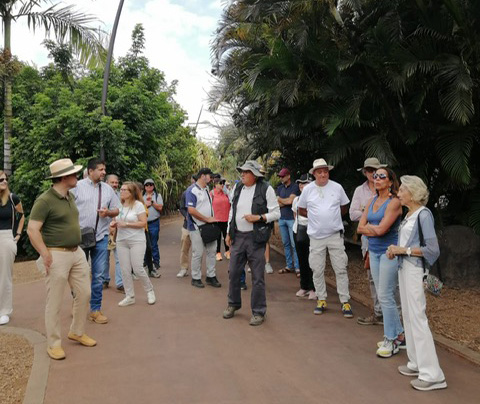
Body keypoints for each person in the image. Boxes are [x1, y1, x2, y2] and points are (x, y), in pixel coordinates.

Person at [27, 159, 96, 360]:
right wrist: (44, 253)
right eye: (74, 174)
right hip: (56, 254)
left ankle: (77, 331)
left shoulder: (70, 196)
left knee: (84, 293)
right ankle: (54, 343)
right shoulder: (45, 200)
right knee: (55, 301)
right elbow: (32, 230)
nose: (77, 177)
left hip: (77, 252)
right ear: (64, 177)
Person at [387, 176, 447, 391]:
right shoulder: (409, 214)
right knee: (410, 318)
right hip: (405, 269)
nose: (398, 192)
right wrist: (396, 250)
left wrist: (404, 250)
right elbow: (407, 244)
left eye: (402, 189)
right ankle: (416, 363)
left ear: (412, 193)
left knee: (418, 318)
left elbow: (433, 250)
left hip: (415, 271)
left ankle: (433, 375)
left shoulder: (424, 215)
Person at [222, 161, 280, 326]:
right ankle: (233, 304)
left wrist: (259, 218)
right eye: (242, 172)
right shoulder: (238, 188)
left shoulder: (266, 189)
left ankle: (258, 312)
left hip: (256, 238)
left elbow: (276, 213)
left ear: (254, 175)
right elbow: (232, 211)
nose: (242, 174)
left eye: (246, 172)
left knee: (257, 277)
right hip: (238, 237)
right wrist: (228, 232)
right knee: (233, 272)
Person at [297, 158, 353, 318]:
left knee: (341, 268)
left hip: (335, 235)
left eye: (325, 171)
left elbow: (343, 207)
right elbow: (301, 210)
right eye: (319, 172)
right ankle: (321, 299)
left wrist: (331, 218)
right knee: (317, 269)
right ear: (314, 174)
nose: (323, 174)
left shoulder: (337, 187)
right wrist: (315, 217)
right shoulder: (308, 190)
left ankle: (345, 301)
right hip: (316, 236)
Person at [357, 167, 404, 358]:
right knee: (382, 293)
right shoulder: (371, 201)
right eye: (374, 176)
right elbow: (359, 228)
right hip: (373, 251)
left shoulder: (394, 203)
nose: (376, 179)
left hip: (389, 253)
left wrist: (371, 227)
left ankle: (391, 339)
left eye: (381, 176)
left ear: (390, 181)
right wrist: (372, 228)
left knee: (385, 295)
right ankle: (399, 335)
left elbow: (383, 229)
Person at [71, 157, 120, 325]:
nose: (103, 172)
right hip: (79, 238)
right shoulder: (76, 187)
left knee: (98, 275)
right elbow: (66, 208)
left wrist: (108, 213)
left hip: (101, 236)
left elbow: (117, 210)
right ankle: (78, 306)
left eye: (104, 169)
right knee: (79, 275)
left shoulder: (107, 189)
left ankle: (95, 310)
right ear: (90, 171)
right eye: (100, 169)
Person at [350, 158, 386, 326]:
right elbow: (353, 214)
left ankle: (389, 314)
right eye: (370, 170)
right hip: (368, 239)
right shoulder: (360, 190)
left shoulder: (388, 189)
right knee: (372, 276)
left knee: (388, 276)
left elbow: (391, 214)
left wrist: (365, 212)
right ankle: (378, 312)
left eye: (376, 171)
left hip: (386, 238)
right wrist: (369, 212)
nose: (373, 174)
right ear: (365, 172)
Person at [111, 182, 156, 307]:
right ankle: (129, 296)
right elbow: (116, 220)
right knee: (125, 270)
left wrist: (127, 225)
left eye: (125, 190)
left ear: (132, 192)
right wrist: (113, 224)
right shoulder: (119, 206)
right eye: (121, 189)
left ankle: (150, 291)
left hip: (137, 240)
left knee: (137, 268)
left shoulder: (138, 205)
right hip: (121, 241)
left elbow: (143, 223)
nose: (122, 191)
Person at [186, 167, 221, 288]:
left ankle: (211, 276)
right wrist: (206, 219)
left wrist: (211, 219)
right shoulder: (191, 190)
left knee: (212, 250)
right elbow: (191, 210)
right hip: (196, 226)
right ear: (202, 176)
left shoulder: (206, 189)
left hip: (209, 225)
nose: (211, 179)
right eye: (210, 176)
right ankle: (196, 277)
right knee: (198, 252)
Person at [0, 171, 25, 326]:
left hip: (6, 237)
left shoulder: (12, 198)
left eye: (5, 179)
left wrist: (17, 234)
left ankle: (4, 311)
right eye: (1, 179)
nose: (4, 181)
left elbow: (21, 215)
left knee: (5, 276)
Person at [292, 173, 315, 300]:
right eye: (300, 183)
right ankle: (304, 286)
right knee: (302, 260)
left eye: (305, 182)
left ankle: (313, 288)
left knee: (312, 260)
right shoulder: (296, 200)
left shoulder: (315, 199)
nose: (302, 185)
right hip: (298, 231)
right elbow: (295, 215)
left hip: (312, 232)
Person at [276, 168, 300, 275]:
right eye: (280, 176)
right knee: (286, 243)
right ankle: (289, 265)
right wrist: (286, 201)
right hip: (282, 219)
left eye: (282, 176)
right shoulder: (279, 188)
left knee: (294, 244)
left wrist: (281, 200)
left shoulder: (295, 187)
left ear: (288, 176)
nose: (281, 178)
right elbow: (278, 203)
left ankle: (297, 267)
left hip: (291, 219)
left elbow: (291, 201)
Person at [105, 174, 124, 292]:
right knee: (104, 257)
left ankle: (120, 283)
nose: (115, 185)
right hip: (104, 231)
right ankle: (104, 280)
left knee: (119, 257)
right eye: (112, 182)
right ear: (106, 182)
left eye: (116, 183)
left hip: (119, 230)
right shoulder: (101, 195)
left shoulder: (121, 195)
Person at [143, 179, 163, 278]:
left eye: (151, 184)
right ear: (144, 187)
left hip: (154, 223)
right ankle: (146, 262)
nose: (149, 186)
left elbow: (160, 208)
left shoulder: (157, 195)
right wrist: (145, 204)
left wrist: (152, 202)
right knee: (145, 244)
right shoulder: (141, 196)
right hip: (144, 224)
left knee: (154, 243)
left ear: (154, 186)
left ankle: (155, 262)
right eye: (147, 185)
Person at [177, 175, 196, 278]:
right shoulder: (186, 193)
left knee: (197, 250)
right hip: (187, 226)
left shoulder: (203, 193)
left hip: (198, 226)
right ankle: (183, 268)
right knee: (184, 248)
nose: (194, 182)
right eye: (193, 180)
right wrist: (186, 217)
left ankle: (195, 270)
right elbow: (182, 208)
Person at [211, 177, 231, 261]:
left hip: (226, 218)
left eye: (223, 183)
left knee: (226, 235)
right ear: (215, 184)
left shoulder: (226, 193)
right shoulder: (212, 193)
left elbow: (231, 202)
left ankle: (227, 251)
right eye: (220, 183)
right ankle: (218, 253)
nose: (222, 185)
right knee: (218, 236)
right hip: (216, 219)